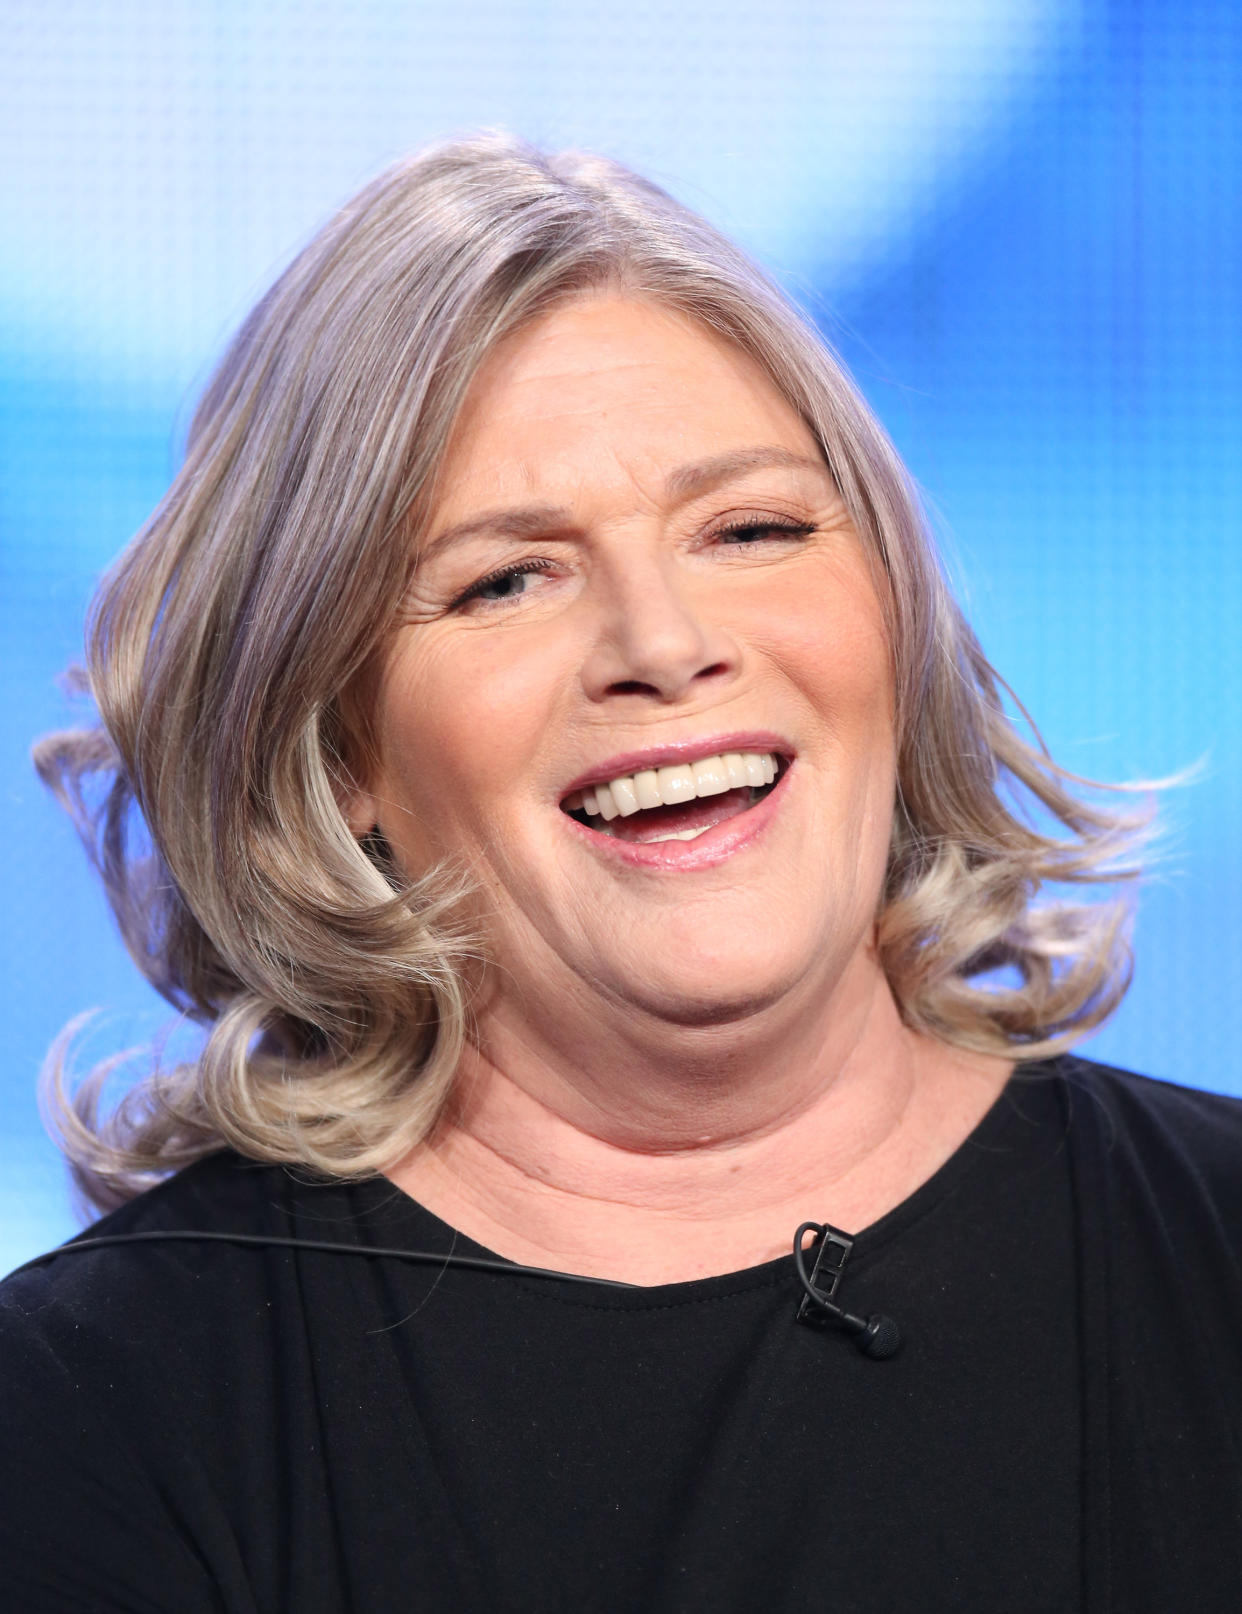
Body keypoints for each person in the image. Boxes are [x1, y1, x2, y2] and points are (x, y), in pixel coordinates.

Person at [2, 129, 1240, 1614]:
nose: (662, 644)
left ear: (894, 622)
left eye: (751, 528)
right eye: (505, 578)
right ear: (337, 751)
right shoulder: (97, 1411)